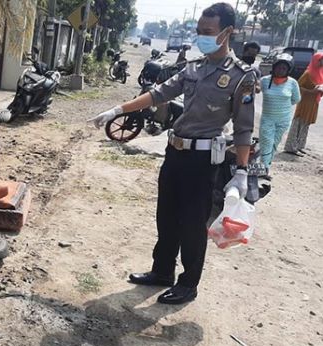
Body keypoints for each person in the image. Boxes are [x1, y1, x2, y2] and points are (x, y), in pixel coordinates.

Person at [90, 2, 256, 305]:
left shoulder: (240, 76)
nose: (201, 37)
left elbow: (244, 129)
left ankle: (188, 283)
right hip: (175, 153)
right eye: (199, 31)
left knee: (193, 223)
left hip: (202, 161)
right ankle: (162, 271)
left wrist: (242, 172)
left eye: (208, 32)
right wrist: (117, 110)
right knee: (166, 216)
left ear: (227, 32)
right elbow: (159, 93)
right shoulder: (194, 67)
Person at [259, 54, 301, 169]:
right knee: (266, 143)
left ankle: (265, 165)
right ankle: (264, 168)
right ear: (273, 67)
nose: (280, 70)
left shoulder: (292, 83)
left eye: (284, 68)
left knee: (274, 144)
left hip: (283, 121)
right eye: (278, 67)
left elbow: (296, 99)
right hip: (267, 119)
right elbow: (254, 91)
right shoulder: (264, 81)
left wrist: (282, 107)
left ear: (288, 70)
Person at [284, 53, 323, 156]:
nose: (322, 62)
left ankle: (300, 146)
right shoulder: (308, 74)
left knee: (306, 124)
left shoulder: (320, 73)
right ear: (315, 61)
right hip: (304, 103)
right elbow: (298, 87)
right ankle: (291, 147)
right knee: (299, 123)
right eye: (320, 60)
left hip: (313, 103)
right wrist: (311, 92)